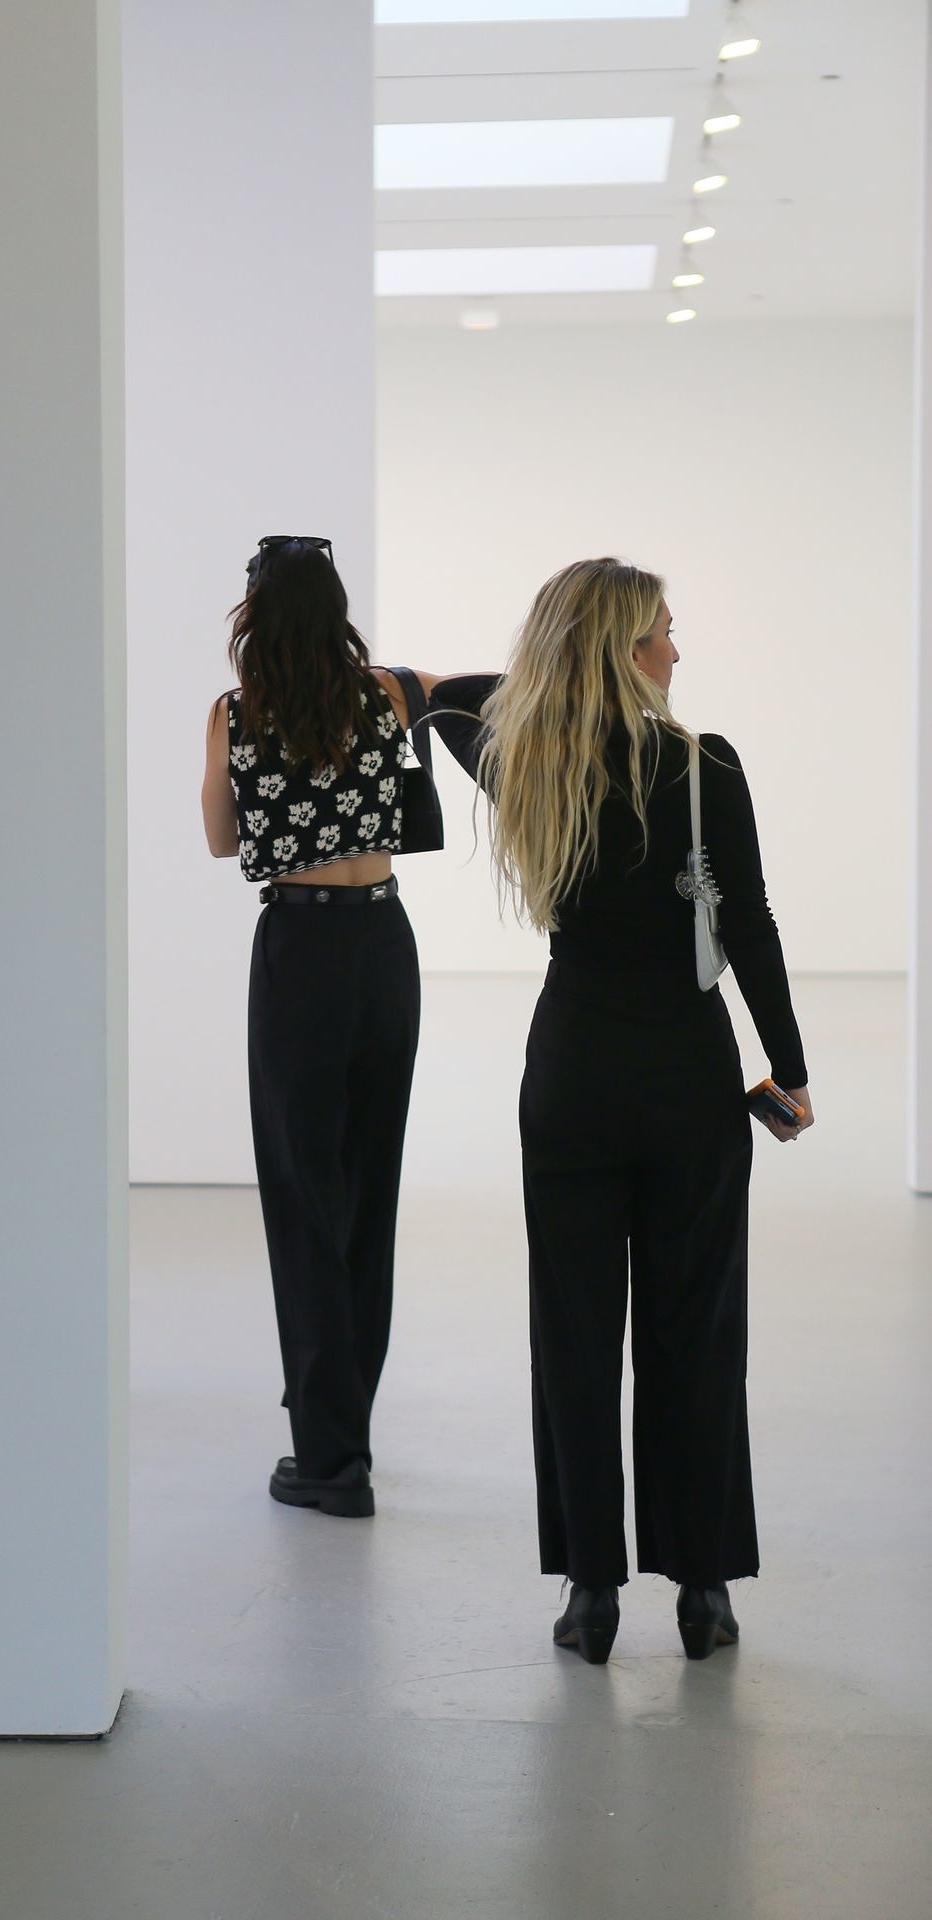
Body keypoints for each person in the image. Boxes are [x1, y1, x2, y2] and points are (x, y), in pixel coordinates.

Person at [428, 557, 814, 1662]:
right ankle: (702, 1589)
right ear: (622, 650)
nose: (675, 653)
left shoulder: (522, 759)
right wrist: (787, 1066)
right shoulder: (704, 766)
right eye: (659, 634)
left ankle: (589, 1591)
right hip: (686, 1077)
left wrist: (479, 677)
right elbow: (748, 923)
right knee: (697, 1334)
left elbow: (460, 700)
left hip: (571, 1078)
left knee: (574, 1333)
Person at [200, 534, 463, 1518]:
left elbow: (220, 837)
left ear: (255, 614)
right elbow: (478, 693)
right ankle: (346, 1420)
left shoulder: (237, 712)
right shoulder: (388, 693)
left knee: (302, 1198)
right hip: (382, 946)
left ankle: (329, 1459)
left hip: (299, 951)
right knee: (366, 1188)